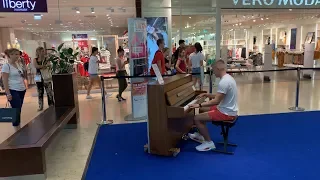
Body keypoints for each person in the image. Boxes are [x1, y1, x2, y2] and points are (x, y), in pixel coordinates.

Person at [188, 60, 238, 151]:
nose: (213, 72)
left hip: (226, 113)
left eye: (213, 70)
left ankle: (208, 143)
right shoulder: (228, 78)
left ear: (218, 68)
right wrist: (207, 95)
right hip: (227, 109)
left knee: (197, 118)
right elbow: (221, 95)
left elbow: (216, 101)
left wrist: (199, 105)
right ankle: (200, 135)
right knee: (202, 110)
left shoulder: (224, 82)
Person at [1, 48, 27, 126]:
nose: (16, 56)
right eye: (14, 54)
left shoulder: (18, 64)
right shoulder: (6, 66)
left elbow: (22, 76)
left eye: (17, 54)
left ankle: (17, 123)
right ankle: (16, 124)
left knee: (19, 107)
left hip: (21, 89)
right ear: (10, 55)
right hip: (12, 89)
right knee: (16, 107)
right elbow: (4, 80)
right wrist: (8, 93)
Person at [33, 47, 55, 111]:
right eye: (41, 51)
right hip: (38, 76)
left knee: (49, 91)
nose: (43, 52)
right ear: (38, 52)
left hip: (46, 75)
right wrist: (43, 66)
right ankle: (40, 105)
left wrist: (43, 66)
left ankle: (51, 104)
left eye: (43, 51)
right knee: (40, 91)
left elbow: (49, 65)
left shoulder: (47, 59)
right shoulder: (35, 59)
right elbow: (36, 66)